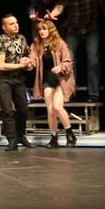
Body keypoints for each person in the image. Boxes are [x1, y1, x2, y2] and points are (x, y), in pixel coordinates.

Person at [48, 0, 105, 102]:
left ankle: (93, 93)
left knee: (93, 60)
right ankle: (70, 91)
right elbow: (59, 7)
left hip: (91, 30)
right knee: (69, 61)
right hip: (74, 31)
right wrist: (52, 15)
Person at [28, 20, 77, 148]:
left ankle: (70, 134)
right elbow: (32, 61)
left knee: (57, 106)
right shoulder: (36, 46)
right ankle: (54, 138)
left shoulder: (60, 44)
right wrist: (28, 63)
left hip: (61, 80)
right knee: (50, 110)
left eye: (44, 29)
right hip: (47, 81)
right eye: (40, 30)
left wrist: (60, 67)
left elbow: (68, 62)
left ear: (50, 30)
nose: (42, 32)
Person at [0, 14, 35, 151]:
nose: (16, 25)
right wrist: (21, 66)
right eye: (11, 24)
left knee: (23, 109)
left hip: (18, 78)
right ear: (4, 27)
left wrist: (29, 62)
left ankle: (21, 135)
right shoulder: (0, 40)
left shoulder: (21, 38)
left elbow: (28, 55)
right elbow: (1, 65)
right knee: (7, 110)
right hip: (3, 78)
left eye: (16, 22)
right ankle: (12, 140)